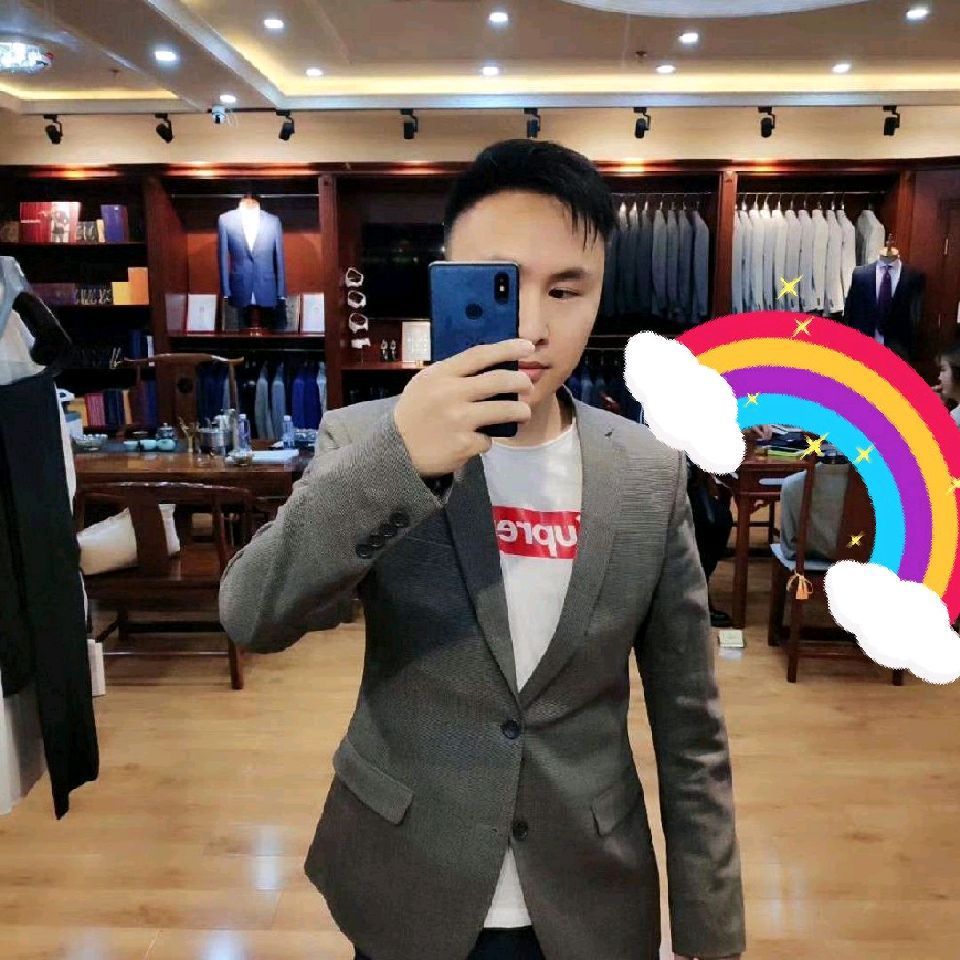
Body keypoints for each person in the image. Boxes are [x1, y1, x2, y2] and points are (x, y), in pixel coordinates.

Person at [219, 139, 745, 960]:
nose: (532, 327)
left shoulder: (649, 473)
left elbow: (690, 725)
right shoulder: (364, 440)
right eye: (502, 283)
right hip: (406, 878)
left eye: (566, 289)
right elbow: (253, 615)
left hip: (589, 894)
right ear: (449, 279)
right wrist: (401, 461)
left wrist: (712, 932)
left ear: (600, 294)